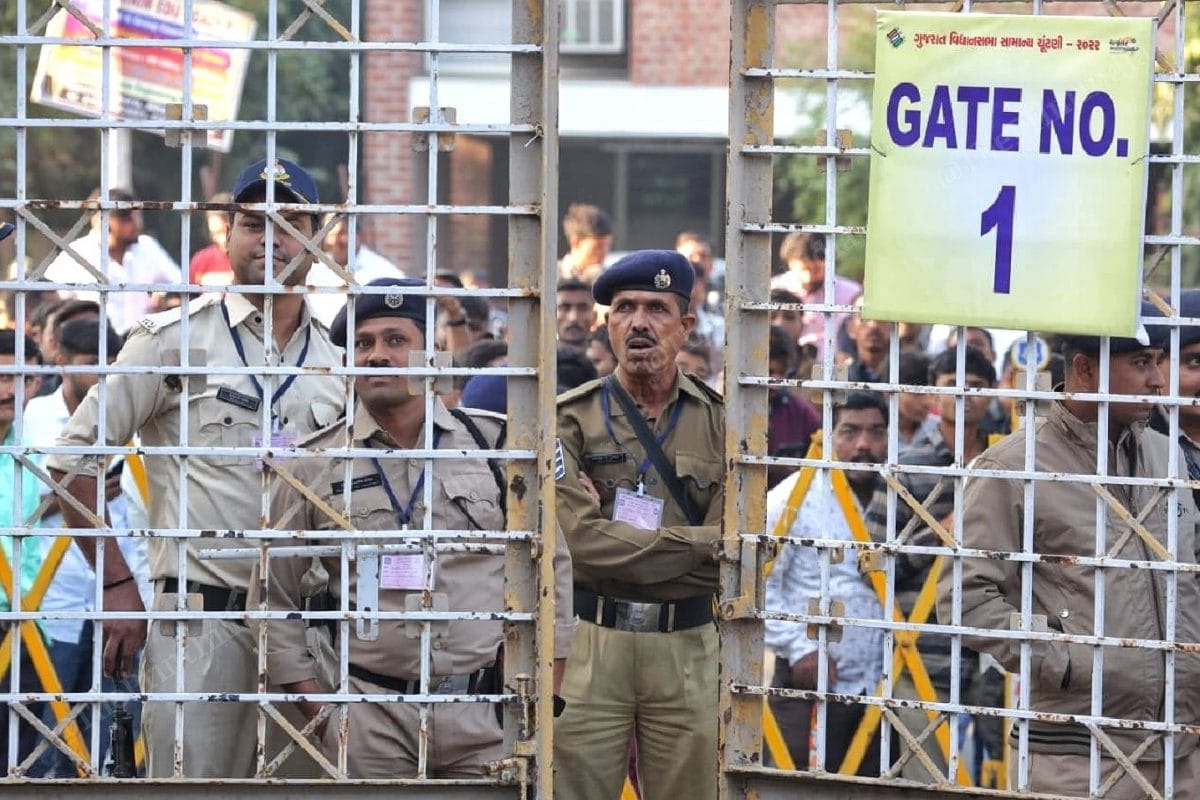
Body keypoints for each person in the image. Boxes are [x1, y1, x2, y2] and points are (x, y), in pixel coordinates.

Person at [46, 157, 347, 778]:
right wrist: (116, 586)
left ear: (320, 239)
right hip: (201, 629)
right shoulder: (173, 340)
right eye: (252, 223)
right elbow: (72, 460)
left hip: (309, 633)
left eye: (291, 222)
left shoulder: (341, 367)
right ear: (226, 237)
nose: (271, 238)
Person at [264, 278, 574, 777]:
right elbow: (274, 601)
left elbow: (551, 577)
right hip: (369, 716)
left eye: (395, 340)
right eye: (362, 344)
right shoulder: (314, 464)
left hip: (485, 717)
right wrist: (321, 712)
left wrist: (543, 699)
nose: (376, 356)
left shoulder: (494, 447)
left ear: (432, 356)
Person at [941, 310, 1200, 797]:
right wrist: (1066, 659)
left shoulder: (1166, 457)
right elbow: (964, 598)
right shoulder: (1016, 466)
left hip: (1180, 747)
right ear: (1083, 370)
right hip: (1076, 753)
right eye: (1141, 363)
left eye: (1159, 363)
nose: (1157, 380)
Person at [554, 250, 725, 800]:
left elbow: (739, 549)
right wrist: (699, 547)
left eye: (657, 308)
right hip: (589, 642)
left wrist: (609, 529)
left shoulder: (726, 423)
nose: (640, 322)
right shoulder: (569, 418)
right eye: (624, 308)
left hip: (688, 645)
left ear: (686, 327)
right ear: (607, 324)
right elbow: (575, 545)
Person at [23, 318, 151, 777]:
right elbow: (27, 498)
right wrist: (76, 491)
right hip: (54, 590)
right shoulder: (35, 418)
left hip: (125, 590)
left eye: (109, 365)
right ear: (61, 362)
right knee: (51, 711)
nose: (101, 374)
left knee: (118, 714)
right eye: (88, 364)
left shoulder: (134, 418)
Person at [864, 345, 997, 781]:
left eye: (977, 387)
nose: (965, 394)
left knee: (1004, 778)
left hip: (998, 660)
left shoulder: (1012, 466)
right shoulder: (906, 469)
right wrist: (943, 531)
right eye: (952, 385)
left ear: (992, 394)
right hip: (922, 656)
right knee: (929, 781)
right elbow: (873, 564)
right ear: (935, 396)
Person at [765, 391, 891, 774]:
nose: (864, 445)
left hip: (880, 685)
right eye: (849, 432)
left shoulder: (900, 499)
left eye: (876, 432)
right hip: (809, 683)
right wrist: (799, 646)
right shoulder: (793, 499)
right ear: (826, 435)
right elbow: (757, 582)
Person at [0, 329, 48, 774]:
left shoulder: (45, 439)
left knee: (19, 755)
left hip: (30, 616)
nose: (9, 390)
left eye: (21, 378)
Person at [44, 187, 182, 334]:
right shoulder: (75, 254)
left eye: (138, 216)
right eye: (127, 218)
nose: (138, 224)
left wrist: (164, 297)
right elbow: (50, 300)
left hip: (143, 344)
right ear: (103, 220)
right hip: (93, 346)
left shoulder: (147, 247)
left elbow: (180, 285)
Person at [771, 232, 860, 361]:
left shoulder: (850, 293)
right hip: (783, 366)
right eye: (803, 260)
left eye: (818, 258)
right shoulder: (775, 289)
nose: (811, 264)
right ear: (789, 260)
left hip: (835, 368)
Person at [306, 214, 404, 326]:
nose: (337, 241)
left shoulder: (383, 271)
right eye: (331, 234)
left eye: (343, 233)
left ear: (359, 235)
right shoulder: (314, 269)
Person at [767, 325, 820, 489]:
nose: (776, 382)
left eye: (782, 373)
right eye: (769, 372)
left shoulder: (801, 412)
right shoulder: (725, 408)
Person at [189, 192, 235, 288]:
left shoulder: (250, 260)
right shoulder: (201, 260)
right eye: (215, 234)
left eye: (225, 232)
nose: (221, 239)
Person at [558, 203, 613, 284]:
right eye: (598, 247)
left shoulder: (609, 280)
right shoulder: (552, 277)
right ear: (576, 242)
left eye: (607, 246)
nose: (603, 253)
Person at [556, 278, 596, 349]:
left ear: (594, 316)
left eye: (582, 308)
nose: (573, 318)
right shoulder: (536, 356)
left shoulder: (613, 357)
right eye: (564, 308)